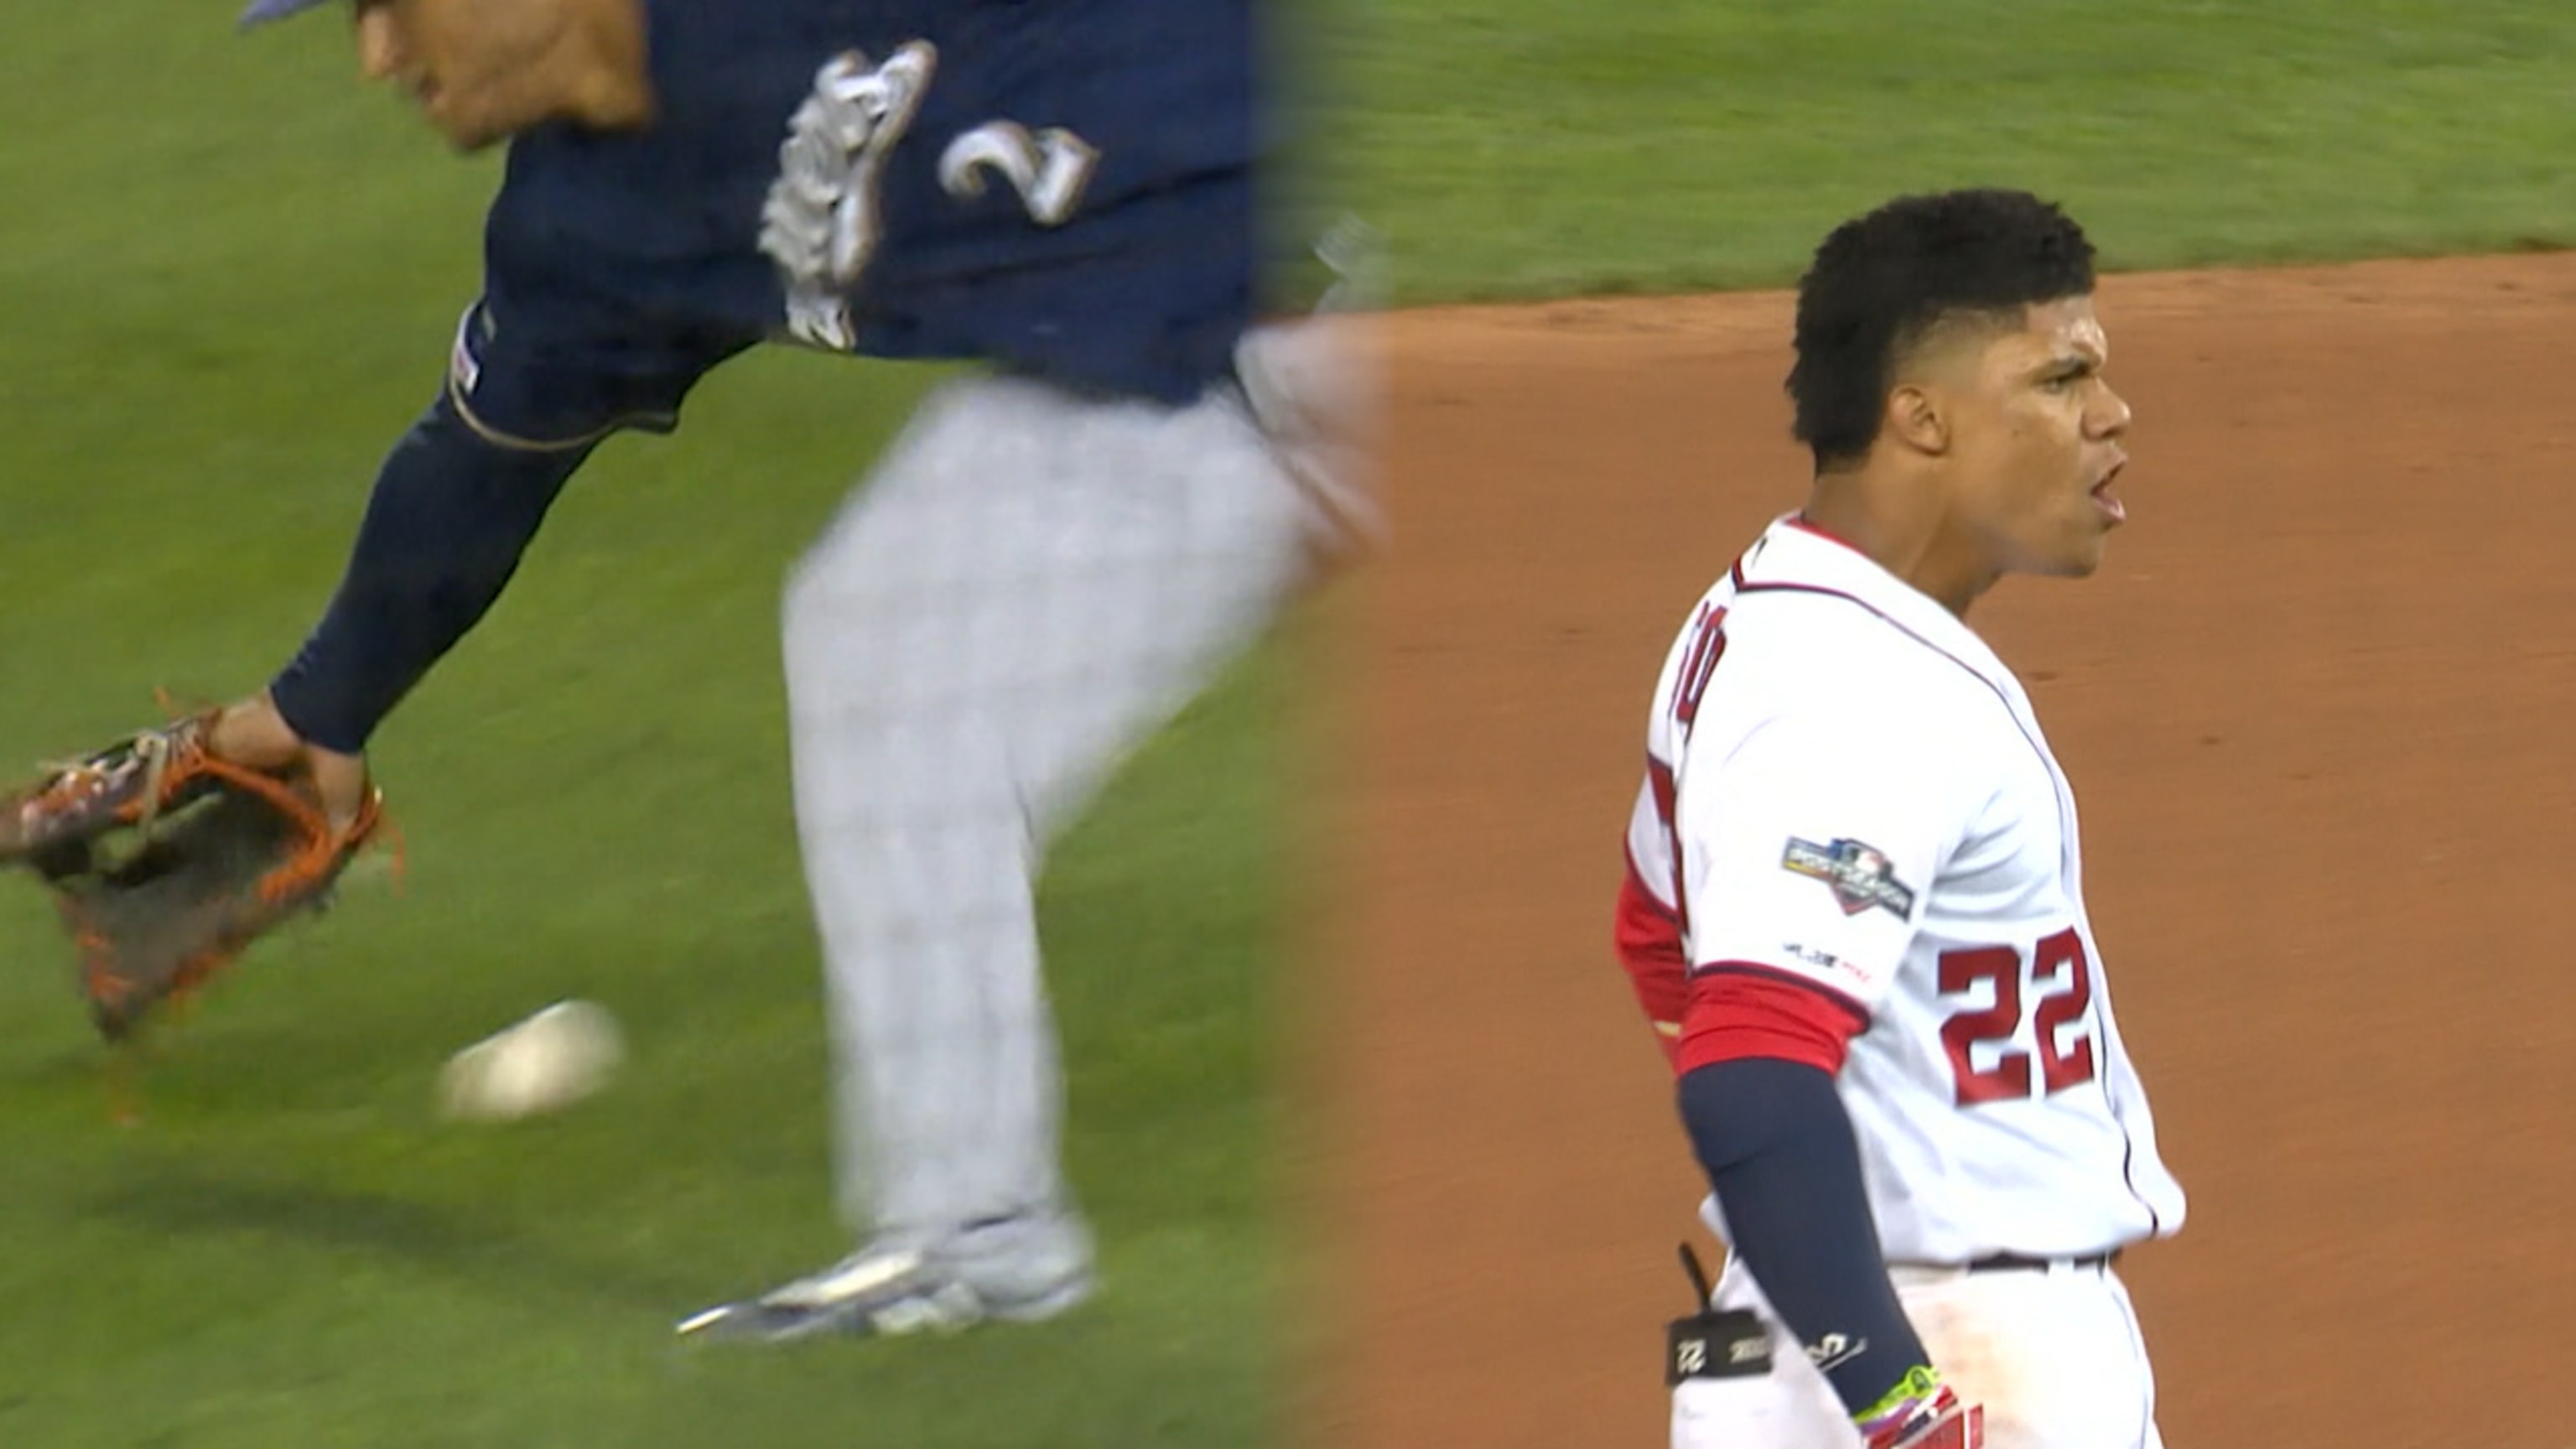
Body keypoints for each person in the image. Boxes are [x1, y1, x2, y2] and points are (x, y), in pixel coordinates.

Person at [39, 0, 1368, 1343]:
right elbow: (480, 463)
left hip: (1337, 305)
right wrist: (322, 706)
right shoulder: (586, 235)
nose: (378, 59)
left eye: (389, 8)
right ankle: (970, 1238)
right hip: (1161, 403)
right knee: (887, 645)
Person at [1611, 190, 2186, 1446]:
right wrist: (1900, 1401)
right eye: (2059, 378)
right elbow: (1748, 1076)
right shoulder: (1852, 697)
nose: (2110, 416)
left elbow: (1661, 936)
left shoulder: (1757, 612)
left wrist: (1807, 1243)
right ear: (1919, 417)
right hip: (1959, 1354)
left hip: (1825, 1324)